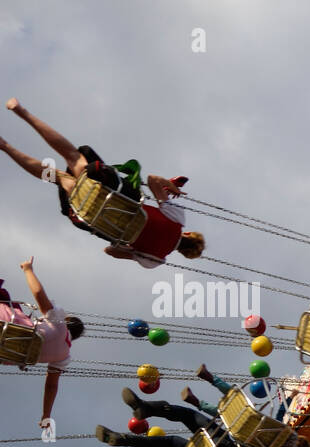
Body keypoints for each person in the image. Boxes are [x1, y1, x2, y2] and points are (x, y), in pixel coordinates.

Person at [1, 98, 204, 267]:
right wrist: (130, 248)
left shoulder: (178, 220)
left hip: (108, 191)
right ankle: (5, 147)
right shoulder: (155, 261)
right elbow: (110, 251)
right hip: (90, 212)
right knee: (57, 177)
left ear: (188, 233)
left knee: (73, 155)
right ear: (182, 253)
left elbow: (152, 180)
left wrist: (170, 186)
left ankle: (22, 112)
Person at [95, 387, 308, 447]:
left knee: (188, 415)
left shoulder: (287, 445)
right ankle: (123, 439)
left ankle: (145, 408)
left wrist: (289, 399)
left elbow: (278, 423)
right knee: (172, 442)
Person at [1, 258, 84, 428]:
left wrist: (28, 269)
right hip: (6, 353)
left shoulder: (58, 322)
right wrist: (46, 414)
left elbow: (38, 294)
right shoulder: (63, 357)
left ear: (67, 320)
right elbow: (51, 386)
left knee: (6, 299)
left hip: (6, 325)